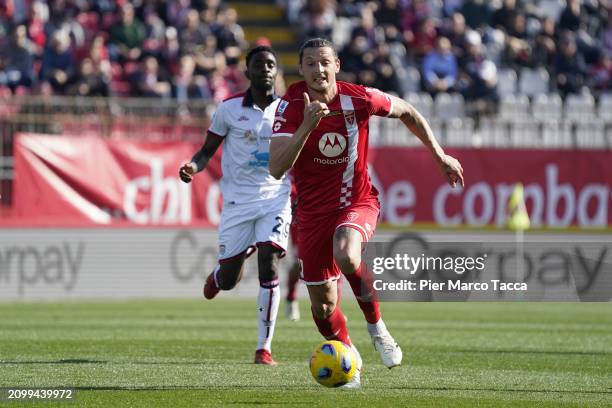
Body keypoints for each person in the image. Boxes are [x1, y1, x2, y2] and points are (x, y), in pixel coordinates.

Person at [269, 38, 464, 388]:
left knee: (346, 252)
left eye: (324, 62)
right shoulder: (291, 105)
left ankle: (377, 328)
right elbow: (276, 167)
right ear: (301, 69)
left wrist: (440, 156)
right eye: (310, 63)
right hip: (312, 215)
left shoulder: (357, 98)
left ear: (337, 65)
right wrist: (306, 128)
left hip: (356, 202)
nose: (318, 69)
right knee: (324, 308)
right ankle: (348, 360)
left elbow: (407, 110)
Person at [179, 46, 291, 366]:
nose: (265, 70)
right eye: (259, 65)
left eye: (271, 64)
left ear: (277, 71)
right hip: (238, 202)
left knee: (270, 264)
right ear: (247, 72)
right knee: (230, 280)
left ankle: (263, 348)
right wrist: (192, 167)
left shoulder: (289, 110)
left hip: (275, 197)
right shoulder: (228, 109)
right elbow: (206, 151)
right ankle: (218, 275)